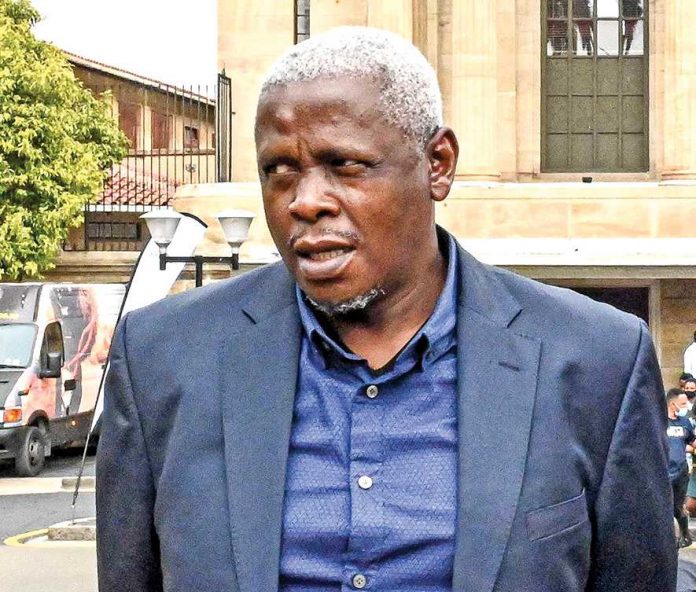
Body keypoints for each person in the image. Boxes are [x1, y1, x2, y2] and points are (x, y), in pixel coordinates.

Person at [96, 27, 675, 592]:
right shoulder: (161, 359)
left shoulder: (598, 362)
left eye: (345, 165)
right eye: (280, 170)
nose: (306, 201)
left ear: (437, 164)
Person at [667, 388, 696, 547]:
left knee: (679, 507)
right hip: (663, 471)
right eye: (683, 404)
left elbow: (692, 441)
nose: (685, 406)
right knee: (664, 506)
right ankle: (670, 540)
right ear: (673, 404)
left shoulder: (685, 422)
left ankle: (685, 535)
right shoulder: (659, 422)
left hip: (681, 471)